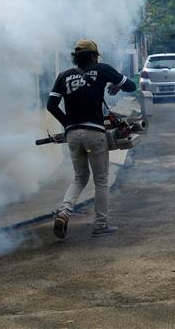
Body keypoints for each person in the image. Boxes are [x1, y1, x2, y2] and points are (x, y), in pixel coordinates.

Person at [46, 39, 137, 239]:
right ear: (94, 56)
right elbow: (132, 86)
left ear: (76, 58)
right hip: (94, 132)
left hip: (73, 135)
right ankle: (101, 225)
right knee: (101, 179)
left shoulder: (64, 76)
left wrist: (68, 124)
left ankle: (64, 212)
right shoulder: (102, 69)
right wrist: (118, 86)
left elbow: (51, 105)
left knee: (80, 177)